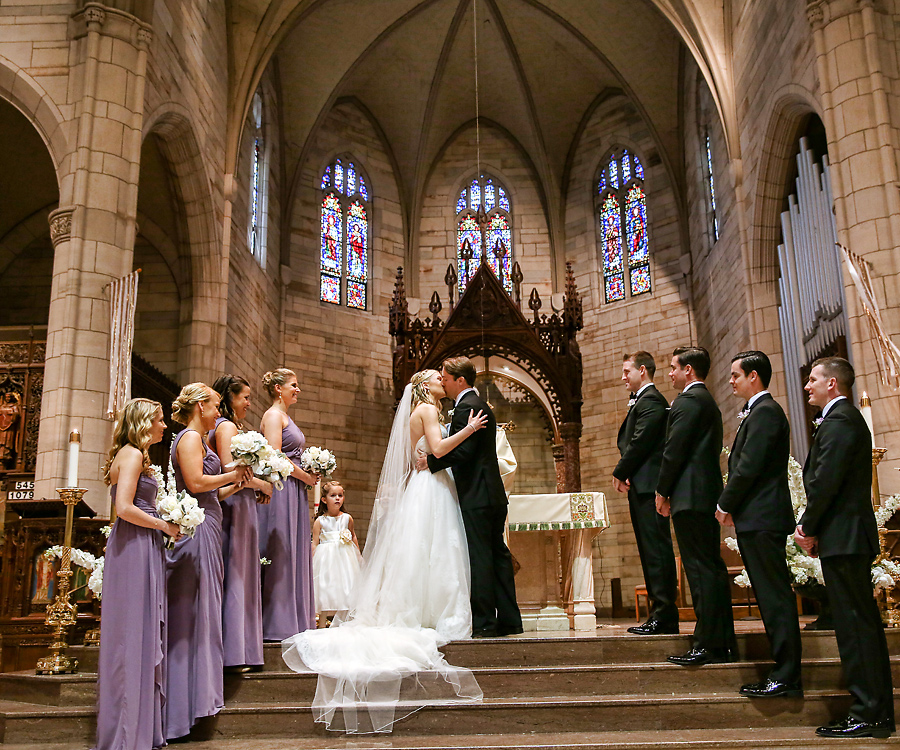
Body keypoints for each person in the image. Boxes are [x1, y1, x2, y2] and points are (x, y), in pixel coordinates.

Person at [281, 368, 487, 733]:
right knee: (437, 550)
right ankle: (438, 612)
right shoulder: (424, 412)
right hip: (431, 489)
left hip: (427, 486)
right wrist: (469, 430)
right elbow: (437, 450)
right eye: (437, 379)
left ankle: (429, 607)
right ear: (425, 387)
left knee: (429, 553)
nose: (443, 381)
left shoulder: (423, 413)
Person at [794, 357, 894, 738]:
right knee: (858, 625)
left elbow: (826, 482)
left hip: (845, 535)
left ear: (832, 384)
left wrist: (808, 525)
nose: (808, 386)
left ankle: (868, 712)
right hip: (847, 535)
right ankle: (874, 710)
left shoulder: (839, 421)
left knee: (855, 628)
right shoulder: (843, 420)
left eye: (813, 380)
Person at [165, 383, 252, 741]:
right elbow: (196, 482)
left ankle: (199, 701)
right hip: (197, 529)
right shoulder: (188, 438)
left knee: (207, 610)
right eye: (216, 406)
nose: (219, 413)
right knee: (196, 614)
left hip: (210, 522)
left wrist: (240, 482)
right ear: (201, 406)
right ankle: (185, 707)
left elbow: (213, 491)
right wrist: (232, 473)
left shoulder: (199, 440)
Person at [93, 398, 180, 750]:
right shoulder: (130, 454)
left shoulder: (137, 456)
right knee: (131, 635)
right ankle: (128, 736)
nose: (163, 426)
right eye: (159, 420)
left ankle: (140, 728)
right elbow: (124, 507)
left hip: (143, 545)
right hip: (134, 546)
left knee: (143, 632)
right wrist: (164, 524)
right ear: (144, 423)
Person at [715, 351, 801, 697]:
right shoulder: (759, 412)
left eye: (736, 375)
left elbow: (748, 466)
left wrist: (725, 503)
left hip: (763, 517)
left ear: (754, 376)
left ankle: (787, 674)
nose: (731, 381)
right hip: (758, 517)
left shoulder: (766, 412)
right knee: (770, 596)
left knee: (775, 597)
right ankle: (783, 670)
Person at [421, 356, 523, 638]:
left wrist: (431, 463)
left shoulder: (467, 406)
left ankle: (486, 622)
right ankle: (510, 620)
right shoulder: (474, 404)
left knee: (481, 558)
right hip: (491, 493)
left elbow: (464, 453)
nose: (442, 380)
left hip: (478, 495)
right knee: (498, 556)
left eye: (446, 377)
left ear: (460, 380)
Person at [655, 346, 736, 666]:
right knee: (711, 570)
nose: (671, 373)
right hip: (704, 494)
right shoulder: (707, 402)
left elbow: (674, 450)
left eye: (674, 367)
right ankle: (722, 641)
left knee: (701, 572)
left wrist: (662, 491)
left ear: (689, 370)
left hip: (690, 496)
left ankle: (708, 645)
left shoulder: (688, 402)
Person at [612, 351, 677, 635]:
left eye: (627, 371)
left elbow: (640, 442)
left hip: (650, 487)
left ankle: (664, 613)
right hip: (642, 485)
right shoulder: (644, 401)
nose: (623, 377)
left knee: (656, 550)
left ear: (642, 370)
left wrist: (619, 470)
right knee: (649, 549)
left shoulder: (651, 401)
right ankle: (659, 611)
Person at [210, 374, 272, 673]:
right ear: (229, 398)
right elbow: (228, 470)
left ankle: (245, 648)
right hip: (233, 504)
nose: (249, 402)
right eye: (244, 397)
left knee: (246, 574)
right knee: (235, 573)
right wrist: (260, 484)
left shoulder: (235, 427)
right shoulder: (224, 427)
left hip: (244, 503)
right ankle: (232, 653)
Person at [258, 368, 319, 640]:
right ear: (277, 389)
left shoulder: (284, 416)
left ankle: (295, 619)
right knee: (281, 552)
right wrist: (306, 475)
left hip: (294, 489)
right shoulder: (273, 416)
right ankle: (276, 622)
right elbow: (275, 457)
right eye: (293, 385)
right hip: (282, 490)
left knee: (294, 550)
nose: (298, 390)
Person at [312, 480, 361, 624]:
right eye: (333, 495)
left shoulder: (347, 518)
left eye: (340, 495)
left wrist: (358, 554)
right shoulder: (320, 521)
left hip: (344, 558)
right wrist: (311, 560)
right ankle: (321, 622)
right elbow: (315, 542)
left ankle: (347, 621)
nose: (337, 498)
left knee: (346, 584)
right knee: (326, 586)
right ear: (324, 499)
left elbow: (352, 536)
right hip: (326, 559)